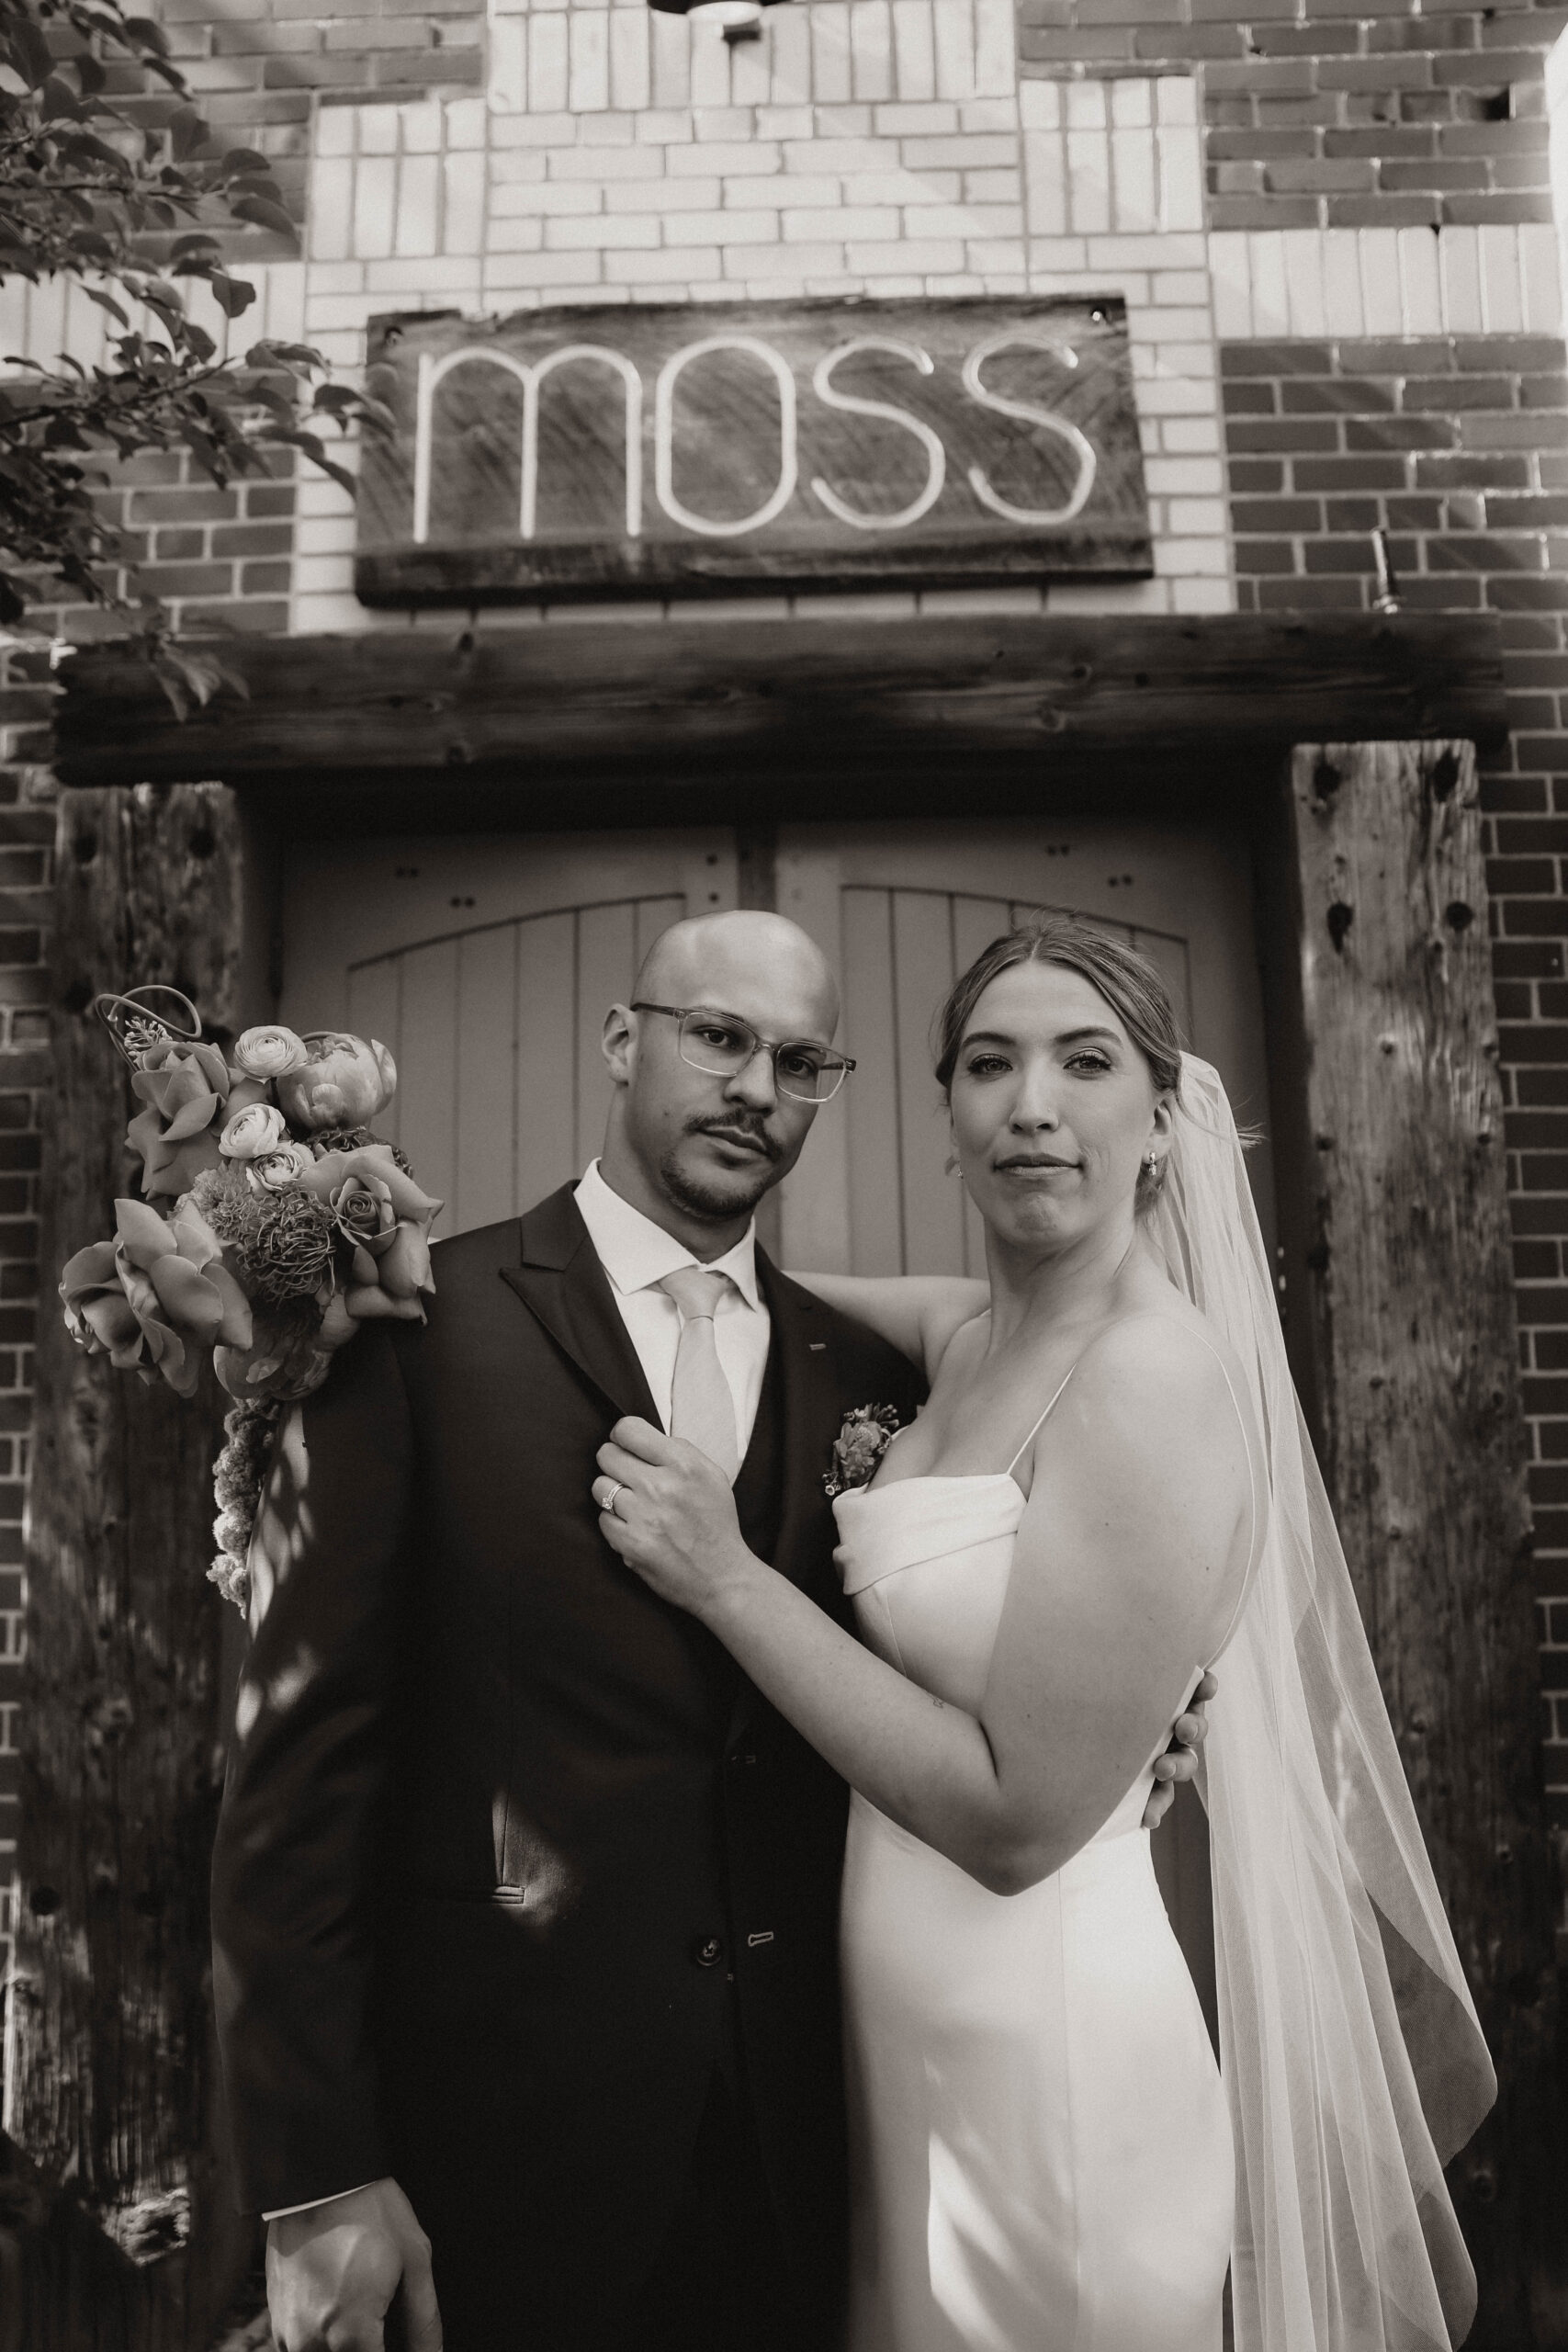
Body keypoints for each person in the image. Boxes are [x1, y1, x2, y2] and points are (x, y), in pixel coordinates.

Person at [210, 909, 1209, 2352]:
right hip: (502, 2155)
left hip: (824, 2148)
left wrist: (1138, 1711)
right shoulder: (409, 1336)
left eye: (800, 1060)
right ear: (625, 1041)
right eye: (720, 1037)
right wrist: (313, 2179)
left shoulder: (869, 1375)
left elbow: (998, 1628)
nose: (756, 1085)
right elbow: (291, 1783)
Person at [595, 915, 1498, 2352]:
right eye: (987, 1064)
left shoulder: (1151, 1379)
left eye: (1085, 1062)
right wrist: (314, 1242)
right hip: (903, 2046)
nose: (1031, 1105)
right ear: (944, 1115)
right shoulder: (967, 1340)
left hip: (1051, 2049)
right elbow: (686, 1297)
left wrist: (727, 1580)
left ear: (1161, 1120)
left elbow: (1019, 1823)